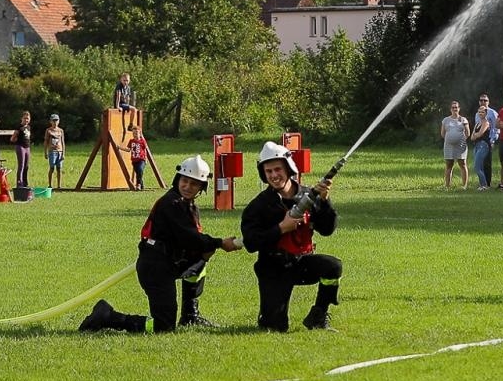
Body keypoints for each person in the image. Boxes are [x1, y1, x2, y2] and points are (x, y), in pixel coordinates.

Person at [79, 155, 241, 334]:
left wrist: (209, 248)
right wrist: (220, 243)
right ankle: (109, 317)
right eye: (185, 181)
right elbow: (190, 238)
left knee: (202, 258)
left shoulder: (188, 206)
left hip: (170, 262)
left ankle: (190, 315)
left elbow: (194, 241)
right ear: (177, 179)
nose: (187, 187)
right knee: (163, 327)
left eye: (194, 184)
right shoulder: (171, 203)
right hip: (156, 268)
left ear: (201, 187)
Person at [241, 140, 342, 332]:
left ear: (288, 169)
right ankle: (270, 316)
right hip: (273, 267)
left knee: (333, 267)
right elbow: (251, 243)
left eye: (277, 169)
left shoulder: (309, 196)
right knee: (274, 327)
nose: (273, 175)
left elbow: (327, 229)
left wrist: (325, 201)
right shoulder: (259, 206)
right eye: (269, 171)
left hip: (301, 263)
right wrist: (281, 228)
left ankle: (318, 315)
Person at [470, 94, 498, 190]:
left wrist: (493, 140)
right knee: (479, 164)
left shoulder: (492, 113)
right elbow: (473, 134)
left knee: (486, 164)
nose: (483, 102)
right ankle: (483, 184)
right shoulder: (476, 117)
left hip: (487, 142)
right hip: (477, 144)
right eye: (481, 100)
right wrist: (475, 136)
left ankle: (486, 184)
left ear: (488, 101)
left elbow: (495, 128)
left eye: (485, 100)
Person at [440, 100, 470, 188]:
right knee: (449, 164)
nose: (455, 109)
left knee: (462, 164)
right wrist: (450, 139)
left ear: (459, 108)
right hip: (448, 146)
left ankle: (464, 185)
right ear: (450, 109)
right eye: (453, 107)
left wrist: (461, 139)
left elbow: (468, 133)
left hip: (461, 146)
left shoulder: (463, 119)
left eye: (456, 107)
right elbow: (442, 133)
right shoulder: (446, 120)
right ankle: (447, 185)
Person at [12, 111, 34, 189]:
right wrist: (17, 140)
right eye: (25, 118)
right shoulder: (19, 127)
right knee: (21, 165)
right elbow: (12, 138)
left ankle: (25, 183)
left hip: (27, 147)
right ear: (21, 118)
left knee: (26, 166)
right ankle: (19, 183)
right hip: (20, 147)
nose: (26, 120)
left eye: (28, 118)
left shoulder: (28, 127)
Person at [45, 114, 66, 189]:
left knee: (59, 168)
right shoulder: (48, 130)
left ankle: (59, 185)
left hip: (59, 151)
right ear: (50, 121)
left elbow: (63, 142)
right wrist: (45, 152)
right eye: (53, 120)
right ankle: (50, 184)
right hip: (52, 151)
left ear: (59, 121)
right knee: (52, 168)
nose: (55, 122)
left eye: (56, 120)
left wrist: (63, 153)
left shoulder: (61, 130)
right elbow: (46, 141)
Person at [127, 126, 147, 191]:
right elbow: (128, 149)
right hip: (134, 160)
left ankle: (138, 184)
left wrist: (145, 158)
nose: (135, 135)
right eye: (134, 133)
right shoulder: (131, 141)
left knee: (140, 169)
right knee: (138, 173)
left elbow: (145, 150)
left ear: (140, 134)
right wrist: (119, 148)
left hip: (141, 159)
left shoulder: (142, 141)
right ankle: (142, 186)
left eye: (136, 133)